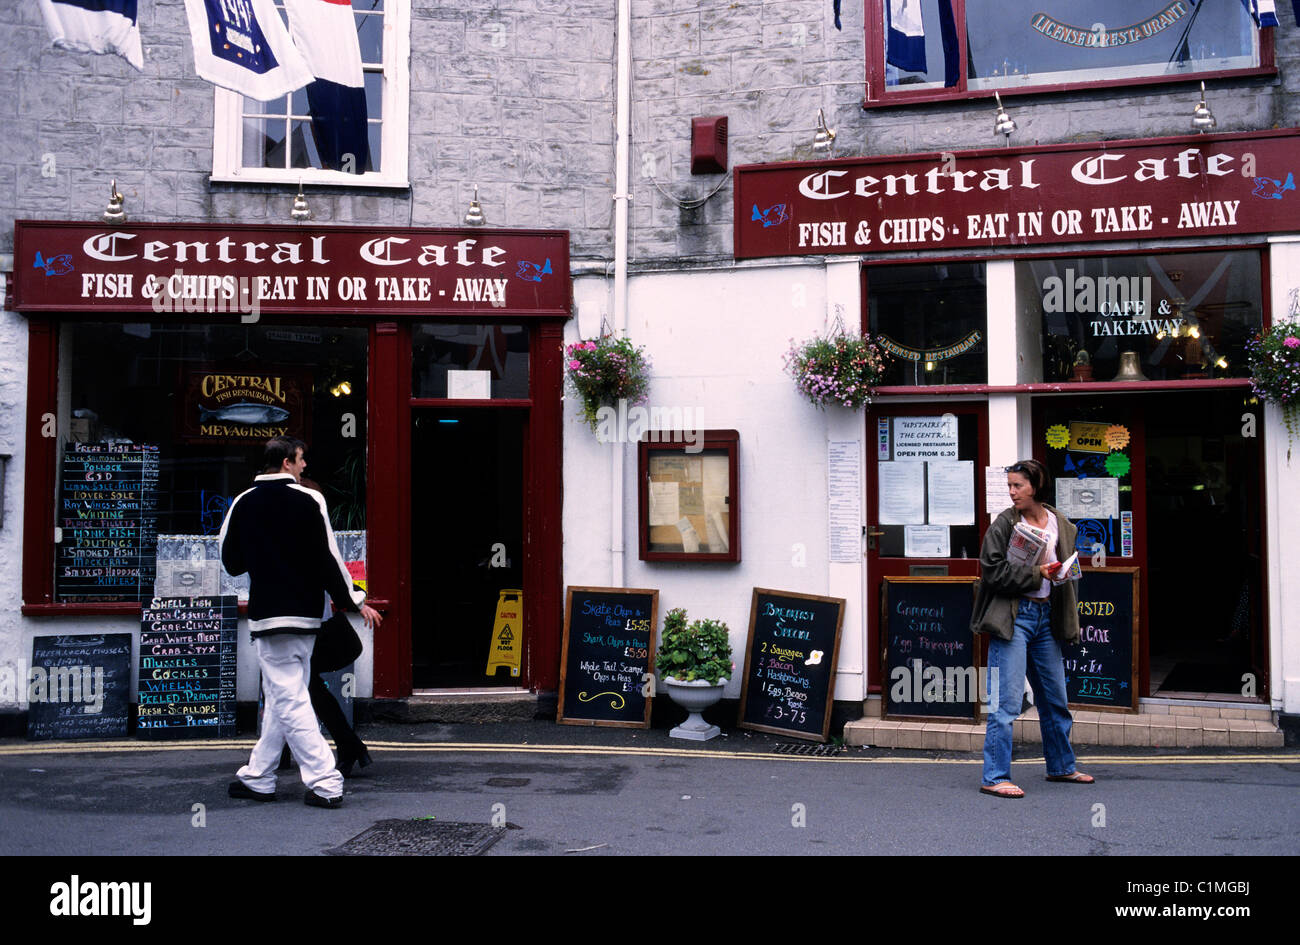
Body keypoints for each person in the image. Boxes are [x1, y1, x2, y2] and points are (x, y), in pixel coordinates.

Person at [219, 436, 382, 808]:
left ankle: (325, 782)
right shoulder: (310, 500)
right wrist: (353, 600)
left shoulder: (242, 503)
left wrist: (265, 553)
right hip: (305, 615)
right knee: (286, 696)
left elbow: (231, 562)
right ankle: (260, 776)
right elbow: (329, 560)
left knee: (288, 695)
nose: (305, 465)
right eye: (302, 458)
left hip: (268, 614)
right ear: (287, 462)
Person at [972, 458, 1094, 798]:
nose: (1012, 493)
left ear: (1036, 486)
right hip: (1014, 618)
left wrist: (1059, 575)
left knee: (1055, 699)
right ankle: (995, 777)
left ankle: (1061, 767)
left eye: (1018, 486)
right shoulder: (1004, 525)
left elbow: (1070, 574)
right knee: (1006, 702)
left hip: (1046, 617)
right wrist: (1035, 574)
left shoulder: (1061, 524)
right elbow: (991, 573)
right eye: (1009, 486)